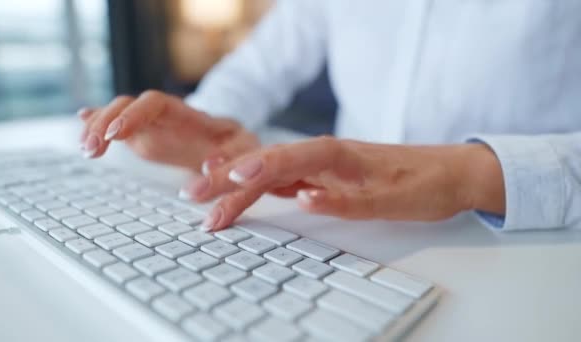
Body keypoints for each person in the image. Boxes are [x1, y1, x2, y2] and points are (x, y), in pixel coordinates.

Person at [78, 1, 581, 232]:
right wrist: (207, 127)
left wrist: (468, 175)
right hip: (343, 239)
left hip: (534, 250)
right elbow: (254, 72)